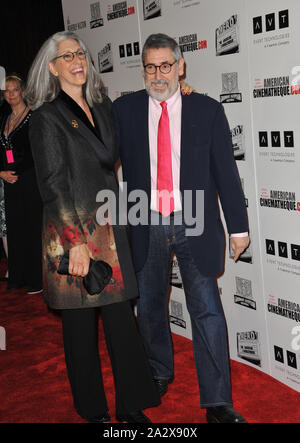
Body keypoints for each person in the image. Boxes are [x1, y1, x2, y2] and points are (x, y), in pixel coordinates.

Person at [112, 33, 250, 424]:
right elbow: (103, 156)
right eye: (151, 67)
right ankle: (157, 373)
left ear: (181, 66)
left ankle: (218, 402)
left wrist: (238, 227)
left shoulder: (206, 110)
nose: (159, 75)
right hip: (146, 219)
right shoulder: (125, 110)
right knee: (151, 307)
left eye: (166, 65)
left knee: (206, 310)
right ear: (143, 70)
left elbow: (226, 170)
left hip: (196, 221)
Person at [25, 31, 160, 423]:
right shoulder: (47, 117)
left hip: (110, 231)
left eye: (79, 54)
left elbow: (131, 121)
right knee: (81, 330)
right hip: (75, 235)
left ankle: (131, 405)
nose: (77, 61)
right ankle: (94, 411)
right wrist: (75, 243)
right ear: (52, 68)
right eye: (66, 57)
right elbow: (52, 186)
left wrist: (177, 90)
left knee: (121, 322)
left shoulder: (100, 106)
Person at [0, 75, 43, 293]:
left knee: (32, 228)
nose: (10, 94)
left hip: (29, 179)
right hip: (10, 181)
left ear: (22, 91)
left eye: (14, 90)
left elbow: (37, 151)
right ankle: (19, 277)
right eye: (6, 91)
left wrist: (14, 171)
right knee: (15, 229)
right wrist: (2, 172)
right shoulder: (4, 119)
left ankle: (37, 280)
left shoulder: (33, 117)